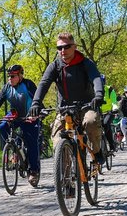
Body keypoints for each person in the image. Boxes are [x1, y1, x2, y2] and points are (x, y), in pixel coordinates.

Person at [29, 33, 105, 163]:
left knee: (91, 121)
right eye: (59, 48)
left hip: (86, 106)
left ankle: (96, 152)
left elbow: (96, 78)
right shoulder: (55, 66)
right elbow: (44, 84)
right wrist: (36, 103)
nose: (62, 50)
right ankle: (65, 172)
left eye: (66, 46)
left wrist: (98, 95)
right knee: (57, 138)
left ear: (74, 47)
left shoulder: (85, 63)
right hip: (64, 109)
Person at [0, 64, 41, 186]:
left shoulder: (28, 84)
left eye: (13, 76)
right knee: (2, 126)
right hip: (15, 115)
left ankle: (33, 171)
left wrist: (36, 114)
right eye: (9, 76)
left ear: (20, 76)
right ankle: (14, 147)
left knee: (31, 142)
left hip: (29, 116)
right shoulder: (6, 87)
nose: (10, 79)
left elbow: (37, 100)